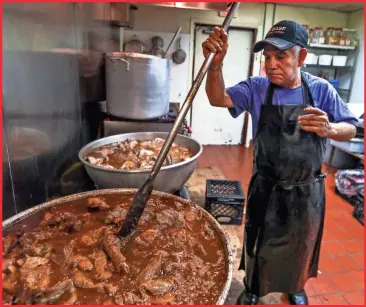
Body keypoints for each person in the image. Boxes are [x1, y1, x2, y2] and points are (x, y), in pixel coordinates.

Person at [202, 20, 358, 305]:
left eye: (281, 56)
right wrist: (216, 64)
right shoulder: (257, 88)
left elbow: (351, 127)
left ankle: (296, 286)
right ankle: (252, 287)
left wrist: (330, 129)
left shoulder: (321, 90)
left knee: (301, 245)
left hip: (307, 190)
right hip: (267, 186)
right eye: (267, 57)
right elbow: (216, 98)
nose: (271, 65)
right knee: (258, 243)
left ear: (301, 57)